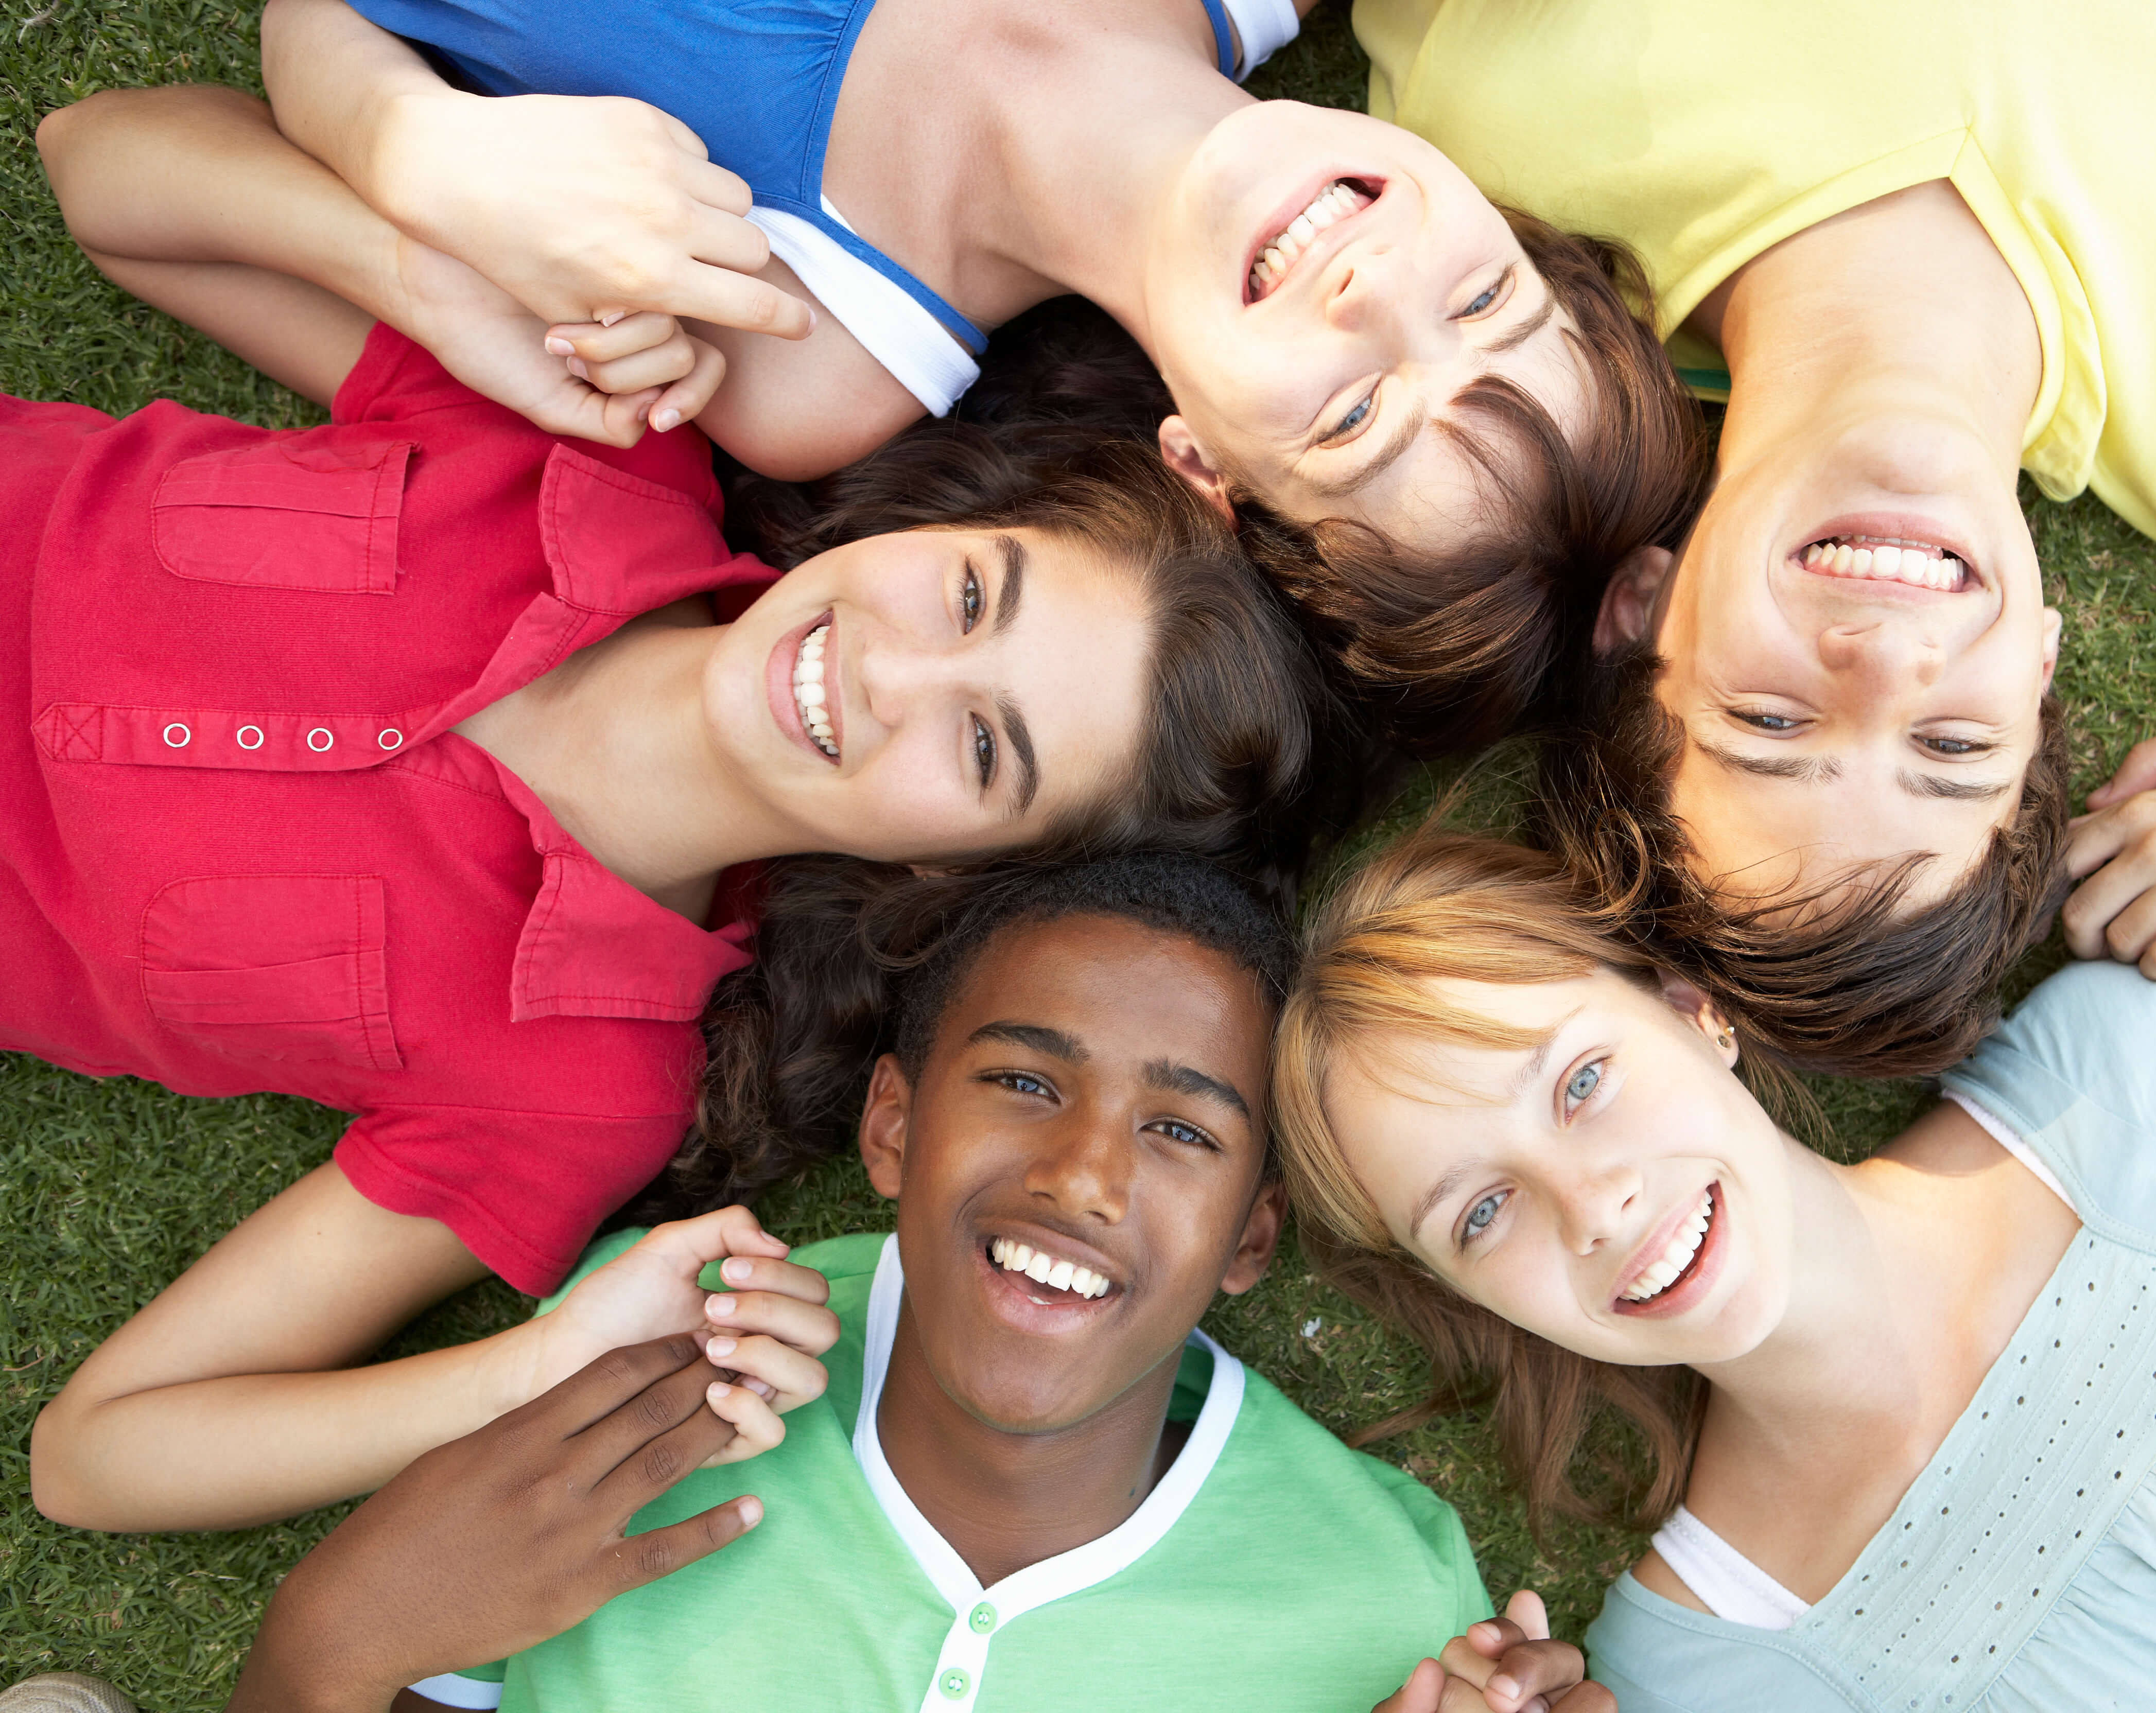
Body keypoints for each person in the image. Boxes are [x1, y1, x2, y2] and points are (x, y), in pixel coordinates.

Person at [16, 88, 1324, 1534]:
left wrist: (541, 1367)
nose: (892, 670)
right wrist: (427, 292)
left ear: (959, 867)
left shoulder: (576, 1086)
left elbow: (99, 1457)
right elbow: (102, 168)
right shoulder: (587, 440)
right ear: (948, 517)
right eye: (968, 595)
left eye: (984, 751)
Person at [1357, 0, 2156, 1057]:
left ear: (1640, 612)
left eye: (1770, 722)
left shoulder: (1479, 203)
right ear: (2040, 662)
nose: (1887, 658)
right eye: (1952, 744)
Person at [203, 854, 1614, 1713]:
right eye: (1021, 1081)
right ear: (892, 1127)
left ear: (1253, 1238)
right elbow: (408, 1661)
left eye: (1182, 1130)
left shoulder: (1383, 1600)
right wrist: (333, 1641)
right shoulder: (660, 1373)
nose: (1083, 1175)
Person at [1264, 791, 2156, 1709]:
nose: (1590, 1203)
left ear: (1694, 1010)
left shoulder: (2117, 1085)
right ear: (1460, 1288)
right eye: (1479, 1214)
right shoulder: (1709, 1671)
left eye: (1582, 1079)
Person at [229, 0, 1710, 751]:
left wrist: (423, 156)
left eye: (1354, 414)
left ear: (1205, 469)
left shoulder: (808, 357)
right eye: (1485, 300)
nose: (1373, 289)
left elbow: (317, 26)